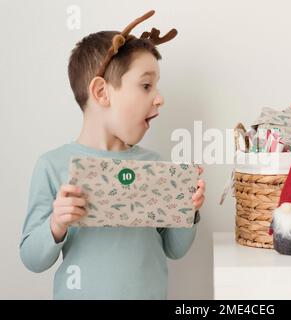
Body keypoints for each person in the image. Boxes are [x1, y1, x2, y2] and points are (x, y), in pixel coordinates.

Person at [19, 10, 205, 299]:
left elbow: (174, 249)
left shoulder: (155, 166)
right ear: (102, 93)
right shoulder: (52, 166)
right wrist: (56, 225)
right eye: (146, 85)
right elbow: (32, 258)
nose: (160, 97)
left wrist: (188, 211)